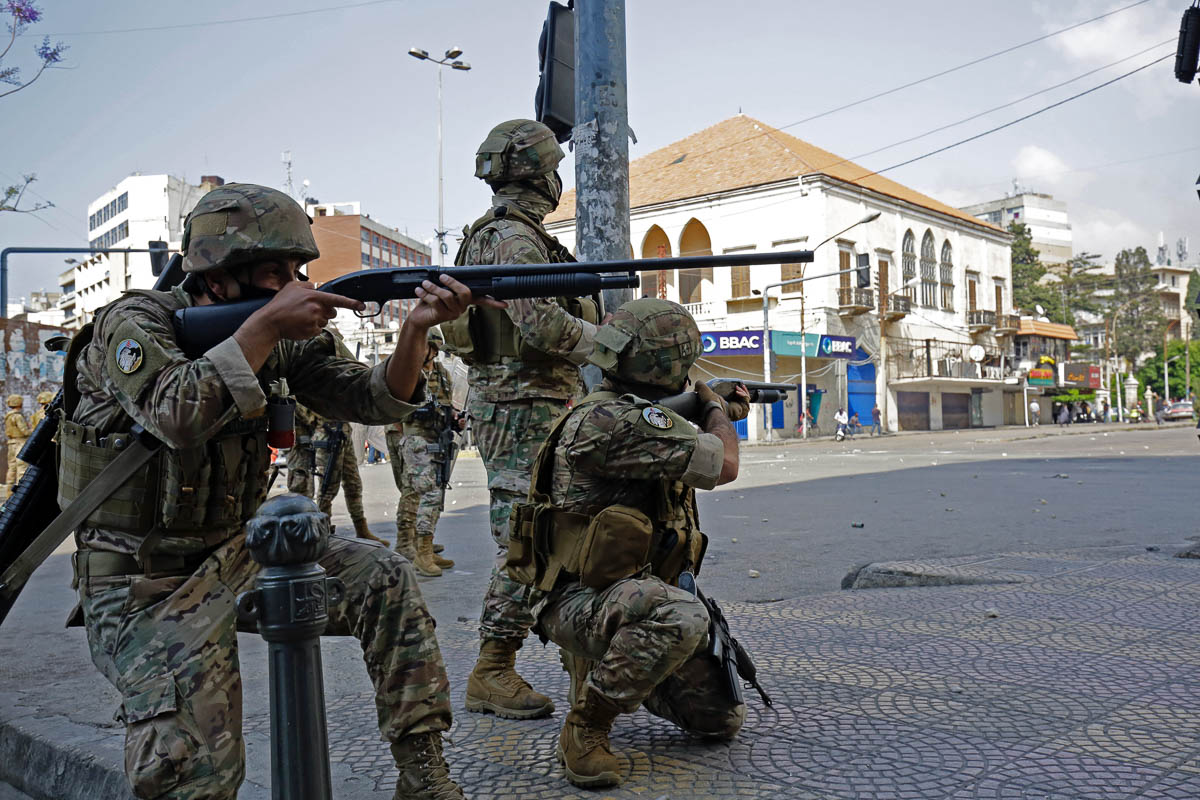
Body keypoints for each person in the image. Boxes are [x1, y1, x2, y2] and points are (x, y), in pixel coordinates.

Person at [63, 183, 497, 800]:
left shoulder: (280, 330)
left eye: (300, 270)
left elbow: (369, 397)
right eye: (275, 272)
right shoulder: (135, 323)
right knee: (193, 765)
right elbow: (176, 416)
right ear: (218, 277)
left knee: (381, 574)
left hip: (236, 555)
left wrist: (417, 332)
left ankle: (422, 775)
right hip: (142, 581)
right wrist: (266, 326)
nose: (295, 284)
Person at [506, 299, 751, 788]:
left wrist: (714, 408)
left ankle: (625, 672)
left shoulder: (630, 414)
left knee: (720, 720)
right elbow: (724, 464)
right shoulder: (613, 423)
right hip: (579, 600)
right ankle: (587, 727)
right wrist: (718, 411)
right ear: (673, 363)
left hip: (623, 591)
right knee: (683, 615)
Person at [444, 119, 598, 721]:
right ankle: (493, 668)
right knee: (527, 539)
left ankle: (573, 654)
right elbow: (541, 326)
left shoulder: (512, 235)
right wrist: (615, 345)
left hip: (530, 405)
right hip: (520, 408)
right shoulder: (513, 239)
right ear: (545, 175)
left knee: (550, 532)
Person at [387, 327, 460, 576]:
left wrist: (453, 419)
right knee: (422, 493)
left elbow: (448, 406)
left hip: (438, 440)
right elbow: (395, 412)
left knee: (436, 494)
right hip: (416, 440)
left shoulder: (442, 374)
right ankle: (418, 550)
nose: (431, 352)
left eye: (433, 348)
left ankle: (423, 549)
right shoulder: (407, 373)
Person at [315, 411, 390, 547]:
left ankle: (361, 528)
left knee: (353, 483)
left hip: (344, 430)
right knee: (328, 487)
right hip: (327, 433)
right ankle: (323, 532)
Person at [5, 394, 30, 487]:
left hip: (11, 443)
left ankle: (9, 494)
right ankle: (20, 493)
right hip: (20, 443)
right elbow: (24, 431)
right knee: (22, 470)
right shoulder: (18, 416)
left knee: (11, 469)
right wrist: (33, 431)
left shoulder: (8, 416)